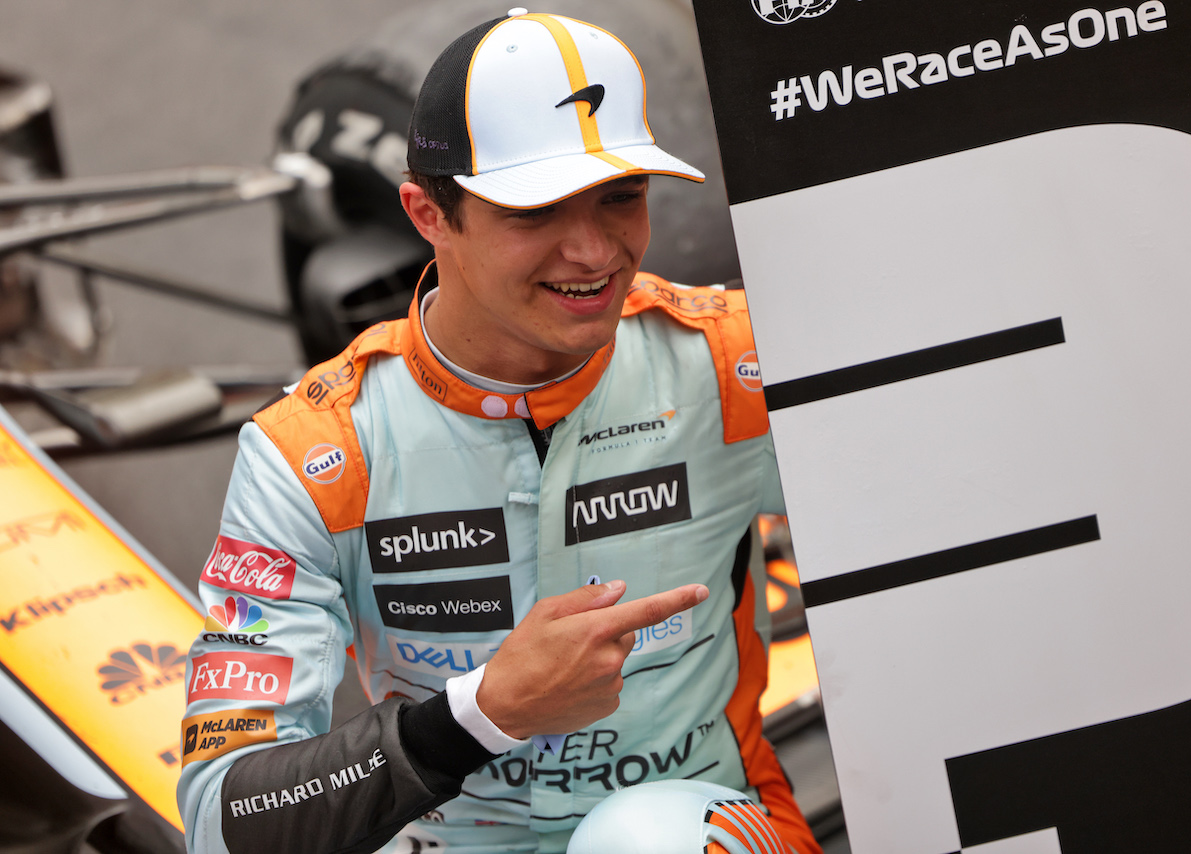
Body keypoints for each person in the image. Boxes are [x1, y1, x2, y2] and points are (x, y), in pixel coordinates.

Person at [178, 9, 819, 854]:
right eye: (536, 210)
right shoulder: (311, 455)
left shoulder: (734, 365)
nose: (593, 251)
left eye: (622, 196)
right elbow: (221, 822)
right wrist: (483, 714)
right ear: (426, 214)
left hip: (698, 821)